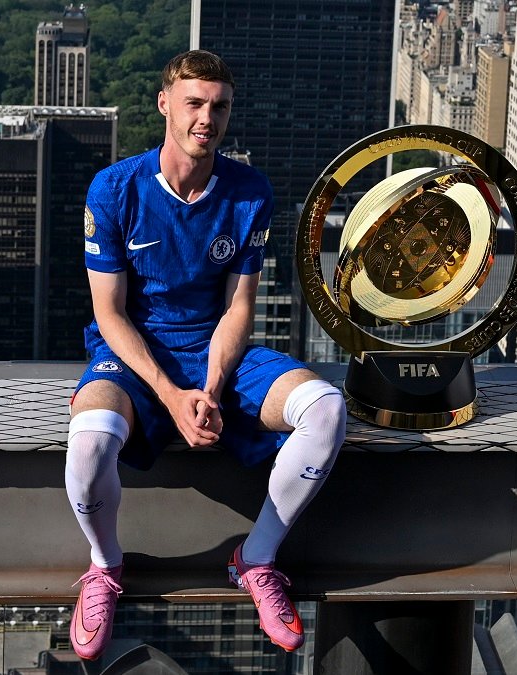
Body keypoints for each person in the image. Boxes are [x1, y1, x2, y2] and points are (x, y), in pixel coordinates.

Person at [65, 49, 345, 659]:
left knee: (326, 408)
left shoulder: (248, 192)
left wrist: (212, 388)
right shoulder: (115, 188)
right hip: (135, 355)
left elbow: (239, 306)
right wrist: (171, 395)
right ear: (164, 104)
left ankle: (257, 559)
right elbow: (110, 313)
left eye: (219, 107)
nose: (206, 119)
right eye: (194, 103)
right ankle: (104, 565)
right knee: (87, 443)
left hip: (212, 348)